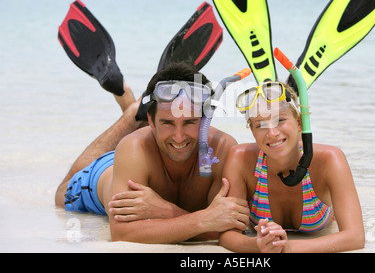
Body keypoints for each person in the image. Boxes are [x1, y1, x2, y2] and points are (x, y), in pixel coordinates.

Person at [55, 63, 250, 244]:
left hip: (144, 156)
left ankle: (136, 110)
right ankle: (131, 115)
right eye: (167, 123)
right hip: (104, 175)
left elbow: (229, 230)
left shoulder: (224, 149)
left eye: (190, 122)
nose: (179, 137)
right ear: (151, 120)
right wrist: (204, 220)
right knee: (61, 194)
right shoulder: (134, 148)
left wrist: (165, 210)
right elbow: (122, 234)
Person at [219, 81, 365, 252]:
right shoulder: (240, 159)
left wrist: (287, 247)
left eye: (280, 120)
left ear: (299, 123)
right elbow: (227, 235)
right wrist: (258, 245)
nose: (272, 133)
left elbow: (355, 237)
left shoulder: (329, 160)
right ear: (252, 131)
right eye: (261, 125)